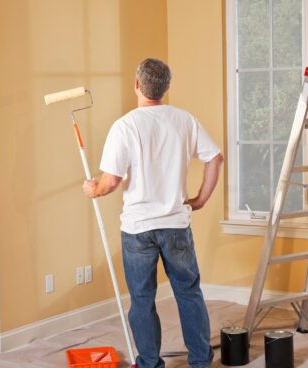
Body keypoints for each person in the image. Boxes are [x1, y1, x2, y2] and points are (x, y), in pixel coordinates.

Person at [82, 58, 223, 368]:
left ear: (136, 85)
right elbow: (216, 158)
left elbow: (111, 182)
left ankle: (148, 363)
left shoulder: (125, 126)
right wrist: (199, 199)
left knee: (143, 300)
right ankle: (200, 361)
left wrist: (95, 189)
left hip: (138, 229)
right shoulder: (184, 120)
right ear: (166, 88)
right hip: (175, 224)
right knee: (189, 293)